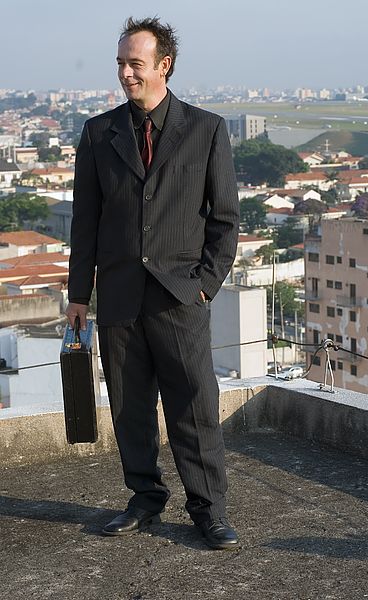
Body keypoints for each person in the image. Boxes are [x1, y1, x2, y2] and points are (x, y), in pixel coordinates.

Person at [65, 16, 240, 550]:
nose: (124, 73)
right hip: (118, 296)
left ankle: (208, 509)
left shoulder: (206, 129)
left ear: (164, 66)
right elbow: (85, 221)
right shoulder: (99, 133)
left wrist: (205, 285)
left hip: (180, 296)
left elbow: (225, 220)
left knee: (195, 408)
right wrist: (78, 295)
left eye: (134, 63)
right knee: (129, 408)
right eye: (120, 63)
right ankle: (144, 498)